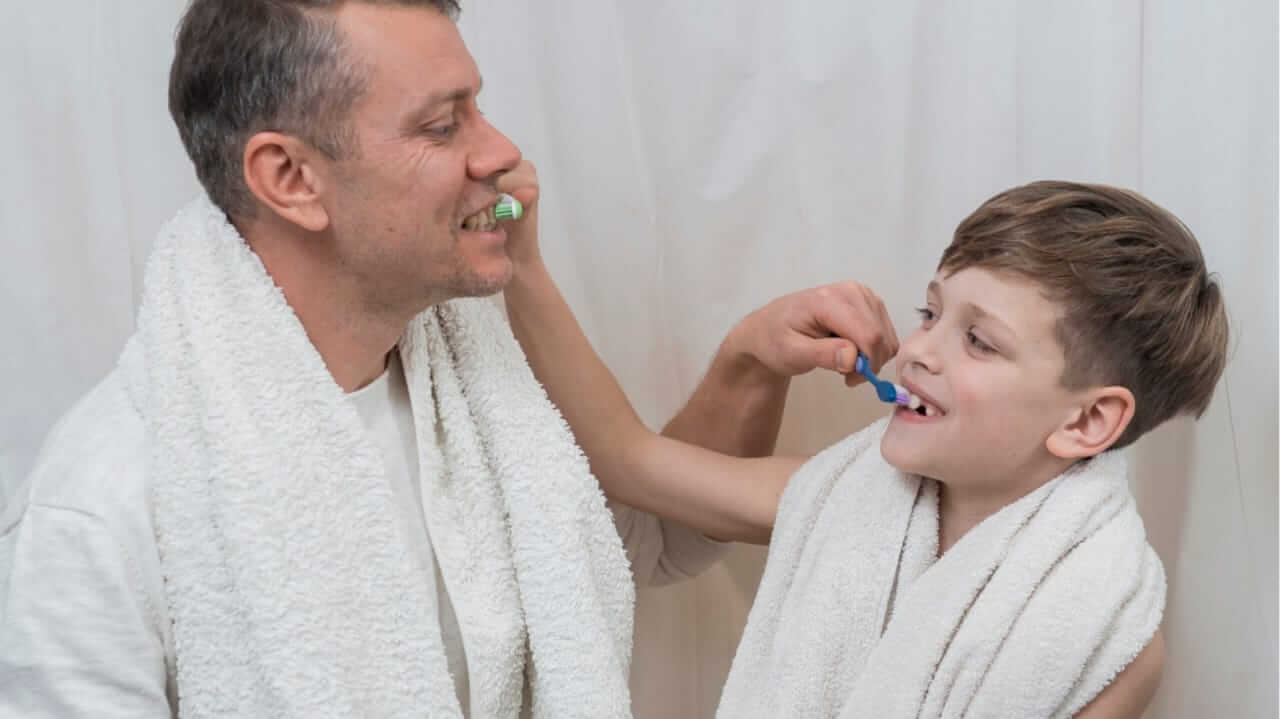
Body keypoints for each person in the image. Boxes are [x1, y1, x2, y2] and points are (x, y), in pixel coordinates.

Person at [0, 2, 899, 718]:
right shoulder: (103, 514)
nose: (502, 151)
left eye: (478, 103)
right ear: (290, 179)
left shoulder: (476, 388)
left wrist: (747, 364)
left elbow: (647, 542)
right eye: (442, 124)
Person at [505, 179, 1230, 718]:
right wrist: (522, 270)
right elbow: (626, 458)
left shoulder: (1107, 634)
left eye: (978, 340)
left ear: (1088, 421)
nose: (917, 351)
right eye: (931, 312)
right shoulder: (838, 497)